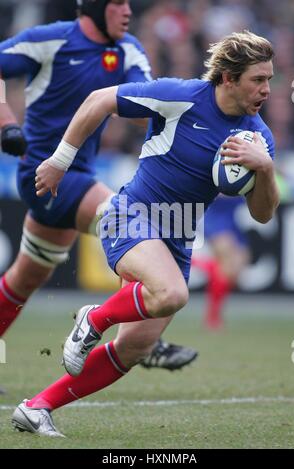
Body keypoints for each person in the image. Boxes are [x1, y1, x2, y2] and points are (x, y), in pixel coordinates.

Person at [12, 30, 279, 437]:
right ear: (227, 77)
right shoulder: (180, 95)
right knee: (172, 294)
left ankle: (37, 407)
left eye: (270, 80)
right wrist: (60, 160)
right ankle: (93, 318)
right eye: (258, 80)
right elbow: (99, 100)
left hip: (177, 237)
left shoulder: (259, 139)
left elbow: (262, 214)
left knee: (135, 347)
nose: (267, 89)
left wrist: (266, 168)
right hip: (131, 215)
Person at [0, 0, 197, 385]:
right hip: (44, 177)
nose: (127, 10)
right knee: (136, 230)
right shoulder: (51, 40)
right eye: (118, 3)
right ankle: (141, 340)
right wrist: (6, 122)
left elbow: (147, 106)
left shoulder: (128, 49)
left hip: (78, 178)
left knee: (21, 281)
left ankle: (138, 335)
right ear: (93, 7)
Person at [192, 195, 250, 329]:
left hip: (232, 218)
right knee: (226, 264)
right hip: (213, 215)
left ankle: (192, 262)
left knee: (234, 271)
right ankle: (213, 318)